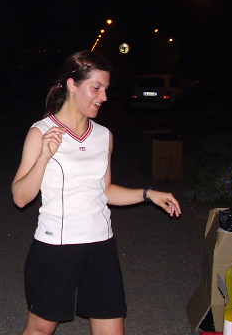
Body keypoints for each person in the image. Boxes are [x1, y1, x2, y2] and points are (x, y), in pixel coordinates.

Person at [11, 50, 181, 335]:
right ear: (72, 84)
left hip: (101, 244)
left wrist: (148, 194)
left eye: (106, 89)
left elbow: (106, 190)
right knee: (41, 327)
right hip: (56, 246)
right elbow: (20, 197)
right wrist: (43, 158)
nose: (103, 96)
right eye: (96, 87)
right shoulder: (41, 132)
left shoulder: (104, 135)